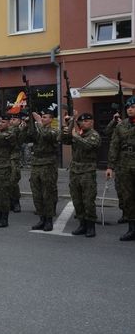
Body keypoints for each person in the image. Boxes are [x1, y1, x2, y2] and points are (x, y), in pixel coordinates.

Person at [61, 113, 101, 238]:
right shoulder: (78, 133)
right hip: (75, 171)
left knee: (88, 200)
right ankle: (82, 224)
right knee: (77, 200)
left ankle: (91, 226)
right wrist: (70, 123)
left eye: (87, 121)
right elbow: (64, 139)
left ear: (92, 122)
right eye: (82, 121)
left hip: (87, 171)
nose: (84, 123)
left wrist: (76, 136)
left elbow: (89, 145)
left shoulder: (94, 135)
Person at [106, 96, 135, 241]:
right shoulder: (121, 125)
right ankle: (132, 229)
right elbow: (114, 145)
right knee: (128, 197)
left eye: (133, 107)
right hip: (124, 164)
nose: (130, 109)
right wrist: (110, 166)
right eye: (128, 107)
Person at [26, 110, 59, 231]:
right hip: (36, 165)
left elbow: (46, 135)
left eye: (45, 117)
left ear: (51, 120)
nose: (42, 119)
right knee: (37, 194)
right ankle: (41, 218)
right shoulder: (38, 130)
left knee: (47, 194)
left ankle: (49, 220)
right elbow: (28, 137)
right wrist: (28, 125)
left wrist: (38, 122)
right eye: (42, 117)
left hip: (48, 165)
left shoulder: (54, 131)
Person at [104, 113, 125, 223]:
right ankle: (125, 213)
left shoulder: (127, 126)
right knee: (121, 190)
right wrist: (113, 121)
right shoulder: (117, 127)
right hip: (120, 163)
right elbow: (107, 132)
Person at [9, 114, 25, 213]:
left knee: (13, 181)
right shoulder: (7, 129)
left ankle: (16, 202)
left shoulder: (20, 130)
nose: (11, 121)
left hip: (14, 158)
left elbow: (20, 139)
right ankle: (10, 202)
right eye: (11, 119)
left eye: (14, 119)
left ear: (19, 121)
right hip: (5, 158)